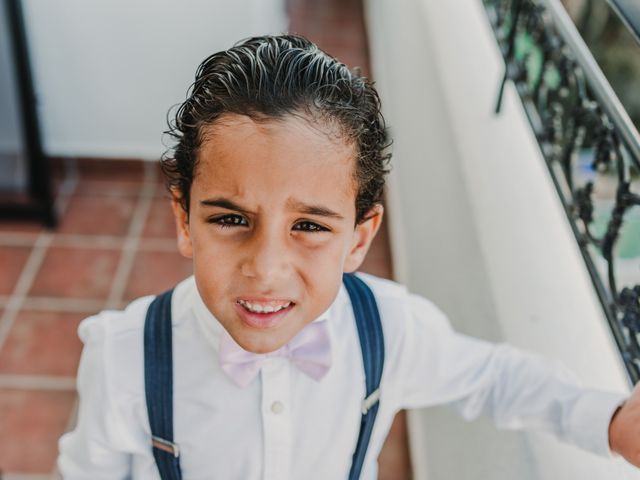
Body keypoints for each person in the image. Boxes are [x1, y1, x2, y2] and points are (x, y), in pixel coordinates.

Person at [57, 34, 640, 479]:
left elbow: (493, 380)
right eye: (231, 219)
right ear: (185, 221)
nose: (266, 268)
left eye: (308, 225)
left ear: (358, 239)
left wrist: (609, 422)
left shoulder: (388, 328)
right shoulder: (124, 356)